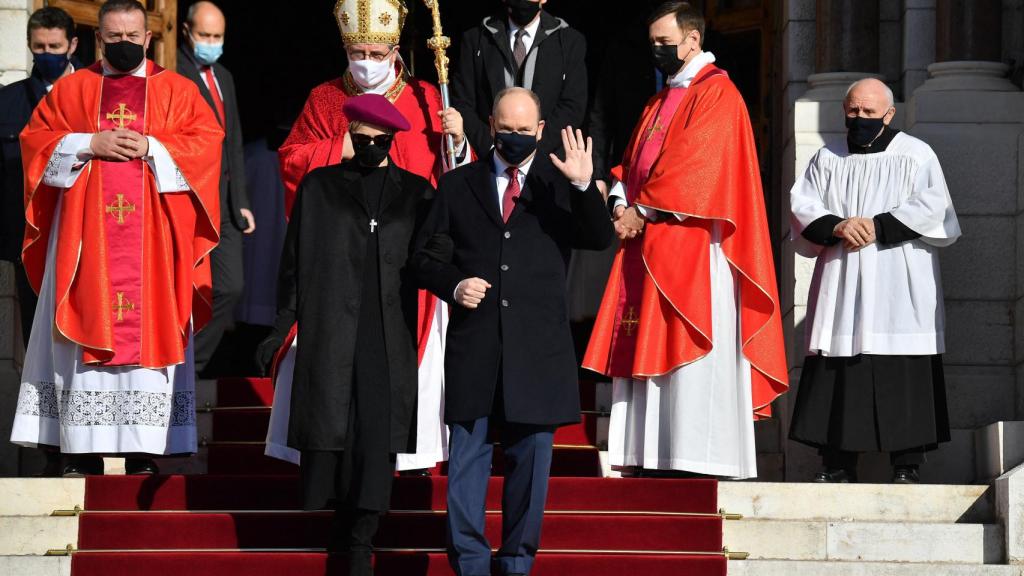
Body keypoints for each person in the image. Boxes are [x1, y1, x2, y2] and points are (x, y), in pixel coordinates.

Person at [10, 0, 223, 477]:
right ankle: (80, 450)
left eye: (132, 37)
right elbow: (34, 142)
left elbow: (207, 145)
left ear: (148, 38)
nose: (124, 44)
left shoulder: (178, 91)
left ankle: (143, 448)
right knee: (82, 326)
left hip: (153, 247)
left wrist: (153, 146)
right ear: (98, 39)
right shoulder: (73, 90)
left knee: (148, 332)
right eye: (114, 38)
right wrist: (88, 143)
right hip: (85, 246)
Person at [582, 1, 788, 480]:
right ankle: (652, 453)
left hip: (695, 246)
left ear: (693, 39)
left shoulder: (718, 94)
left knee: (691, 341)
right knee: (647, 339)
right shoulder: (659, 101)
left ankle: (697, 456)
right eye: (652, 43)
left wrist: (641, 210)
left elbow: (696, 167)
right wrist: (620, 202)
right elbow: (632, 161)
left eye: (665, 42)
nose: (656, 50)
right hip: (648, 244)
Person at [412, 87, 614, 576]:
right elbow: (423, 258)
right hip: (475, 348)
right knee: (466, 467)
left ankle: (517, 565)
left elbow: (598, 238)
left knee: (530, 472)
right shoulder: (458, 185)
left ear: (541, 131)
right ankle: (471, 565)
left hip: (538, 353)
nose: (516, 137)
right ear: (490, 125)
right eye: (507, 129)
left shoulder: (558, 182)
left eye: (525, 130)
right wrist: (454, 284)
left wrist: (584, 186)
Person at [266, 0, 467, 475]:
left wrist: (458, 141)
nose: (367, 62)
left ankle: (408, 455)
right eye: (358, 52)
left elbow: (453, 179)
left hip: (402, 254)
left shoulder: (425, 98)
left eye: (377, 54)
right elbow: (291, 161)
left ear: (395, 50)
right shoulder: (325, 98)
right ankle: (322, 451)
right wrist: (341, 146)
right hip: (337, 257)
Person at [257, 94, 433, 575]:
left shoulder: (417, 193)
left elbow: (434, 256)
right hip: (332, 326)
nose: (371, 147)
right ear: (350, 136)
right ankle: (340, 527)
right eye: (362, 139)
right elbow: (294, 264)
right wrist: (279, 328)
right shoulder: (320, 187)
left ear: (392, 141)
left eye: (380, 140)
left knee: (375, 439)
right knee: (332, 431)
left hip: (387, 332)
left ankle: (361, 544)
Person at [788, 78, 961, 484]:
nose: (860, 118)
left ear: (889, 113)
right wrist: (838, 225)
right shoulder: (827, 158)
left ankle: (906, 464)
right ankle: (837, 463)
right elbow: (802, 205)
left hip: (899, 276)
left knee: (903, 365)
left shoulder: (915, 154)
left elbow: (934, 205)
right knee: (839, 362)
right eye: (853, 110)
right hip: (843, 276)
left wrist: (878, 225)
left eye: (869, 112)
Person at [0, 6, 79, 477]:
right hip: (30, 244)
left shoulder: (92, 95)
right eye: (38, 48)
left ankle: (85, 443)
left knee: (81, 342)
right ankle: (52, 451)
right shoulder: (8, 103)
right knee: (39, 347)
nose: (46, 54)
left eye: (55, 47)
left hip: (86, 243)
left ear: (73, 45)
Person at [177, 0, 255, 373]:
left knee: (230, 287)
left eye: (217, 36)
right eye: (204, 35)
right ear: (186, 31)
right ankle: (176, 367)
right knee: (185, 288)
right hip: (190, 200)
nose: (211, 43)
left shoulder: (223, 75)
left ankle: (191, 366)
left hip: (224, 204)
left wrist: (241, 201)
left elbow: (232, 140)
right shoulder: (173, 71)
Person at [451, 0, 588, 157]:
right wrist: (493, 149)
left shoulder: (569, 42)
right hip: (488, 159)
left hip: (546, 160)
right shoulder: (476, 40)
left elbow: (572, 106)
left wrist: (534, 152)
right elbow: (463, 103)